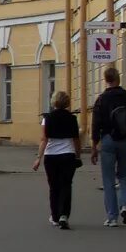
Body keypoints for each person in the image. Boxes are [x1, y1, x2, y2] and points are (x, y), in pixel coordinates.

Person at [90, 66, 126, 227]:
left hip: (107, 140)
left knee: (108, 179)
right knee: (124, 175)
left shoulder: (101, 99)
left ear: (105, 80)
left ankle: (112, 217)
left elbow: (95, 124)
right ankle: (125, 205)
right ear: (118, 79)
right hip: (125, 140)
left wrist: (94, 146)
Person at [33, 91, 81, 229]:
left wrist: (38, 158)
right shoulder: (72, 118)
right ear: (67, 102)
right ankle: (63, 215)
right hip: (68, 155)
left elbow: (44, 139)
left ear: (53, 101)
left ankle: (55, 216)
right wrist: (78, 155)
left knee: (54, 187)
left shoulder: (47, 118)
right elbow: (76, 139)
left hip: (51, 156)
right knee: (66, 185)